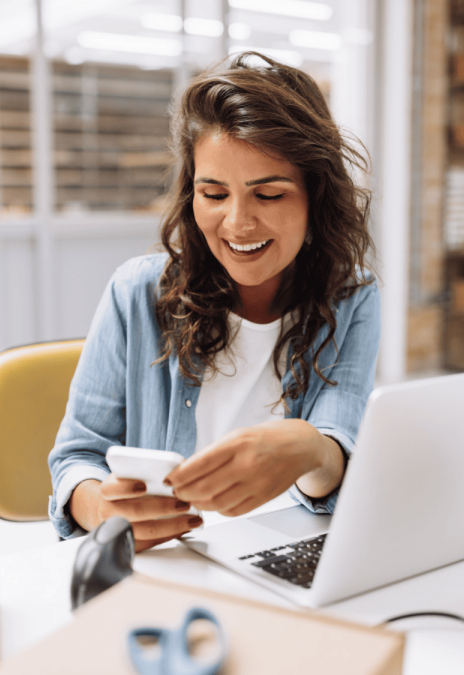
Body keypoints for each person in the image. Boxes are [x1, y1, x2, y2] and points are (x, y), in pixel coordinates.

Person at [47, 53, 380, 552]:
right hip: (167, 561)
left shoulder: (352, 295)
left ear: (316, 197)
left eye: (268, 195)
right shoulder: (136, 292)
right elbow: (77, 456)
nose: (238, 224)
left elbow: (337, 452)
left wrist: (313, 450)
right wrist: (101, 508)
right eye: (214, 193)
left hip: (284, 554)